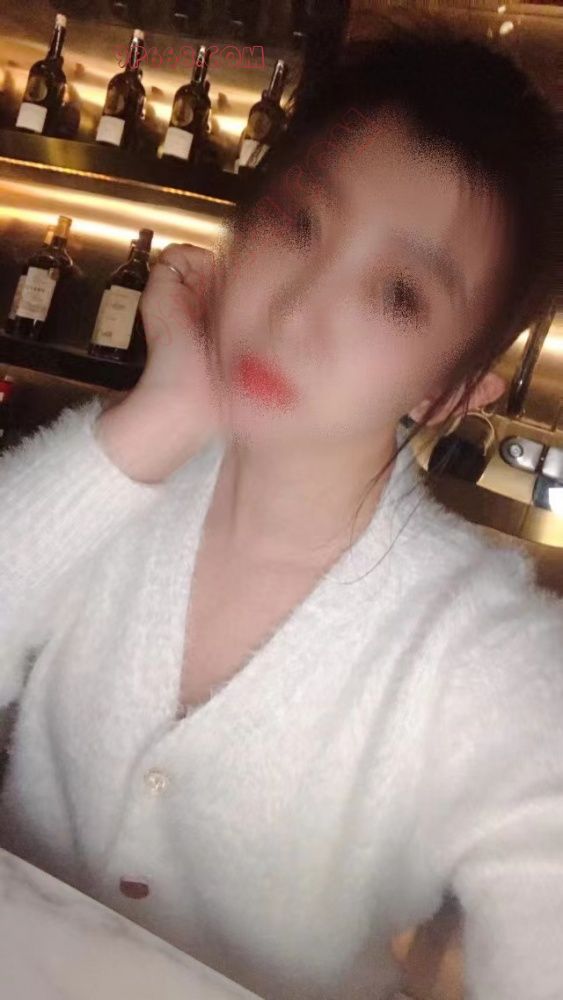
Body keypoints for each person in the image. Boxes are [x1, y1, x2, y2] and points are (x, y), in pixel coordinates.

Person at [0, 18, 561, 1000]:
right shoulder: (112, 482)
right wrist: (163, 416)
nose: (296, 310)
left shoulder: (486, 653)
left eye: (396, 293)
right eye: (299, 222)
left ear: (455, 387)